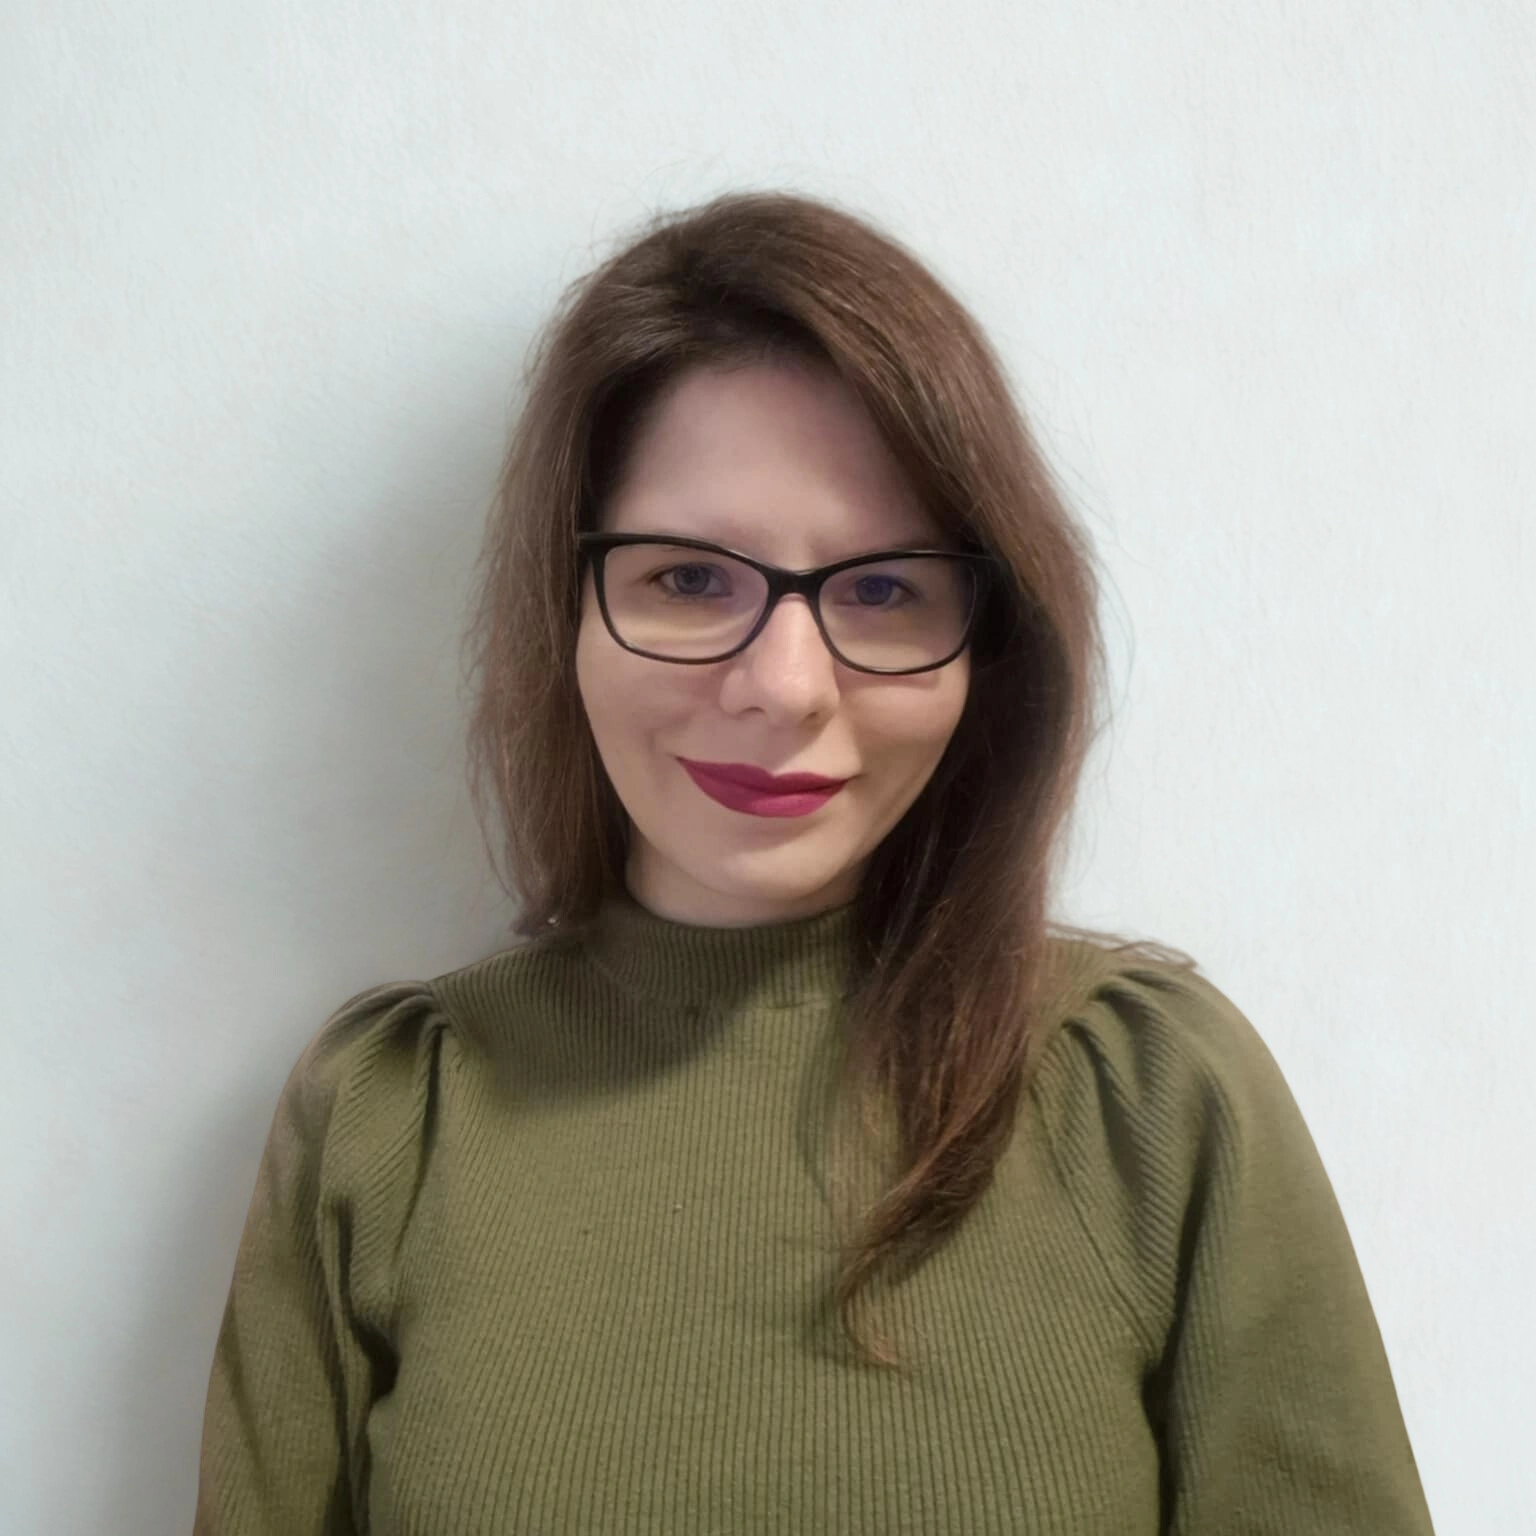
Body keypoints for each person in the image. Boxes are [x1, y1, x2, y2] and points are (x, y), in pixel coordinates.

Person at [195, 191, 1435, 1534]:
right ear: (568, 611)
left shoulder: (1150, 1100)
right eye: (688, 579)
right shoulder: (388, 1122)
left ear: (987, 648)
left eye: (884, 589)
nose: (784, 687)